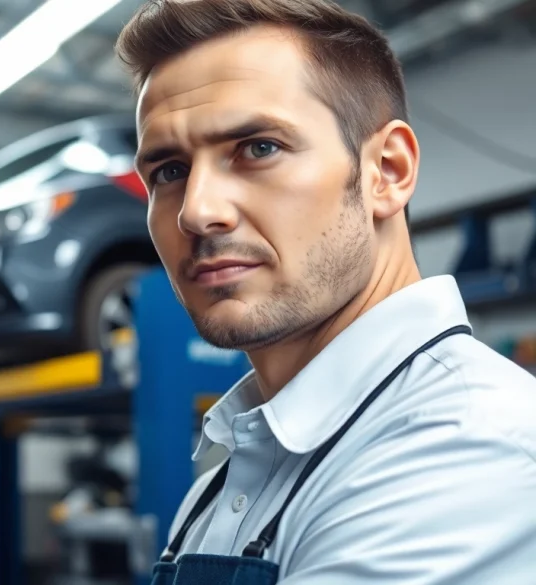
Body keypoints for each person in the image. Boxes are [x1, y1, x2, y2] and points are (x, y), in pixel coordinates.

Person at [115, 0, 536, 583]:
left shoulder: (465, 448)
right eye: (168, 171)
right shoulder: (232, 469)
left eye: (257, 148)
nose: (197, 211)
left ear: (386, 172)